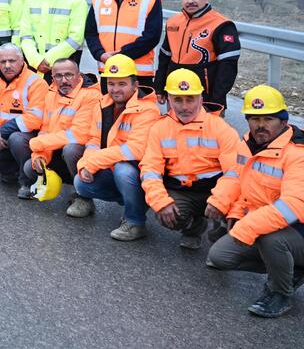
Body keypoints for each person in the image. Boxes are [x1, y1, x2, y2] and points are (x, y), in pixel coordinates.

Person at [206, 85, 304, 318]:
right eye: (254, 118)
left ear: (283, 121)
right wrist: (234, 212)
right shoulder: (248, 144)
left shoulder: (298, 153)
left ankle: (280, 292)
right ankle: (291, 268)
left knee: (271, 239)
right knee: (219, 258)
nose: (261, 125)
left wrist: (246, 228)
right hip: (263, 221)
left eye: (268, 118)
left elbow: (293, 206)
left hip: (296, 229)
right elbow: (239, 181)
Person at [140, 68, 239, 249]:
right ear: (169, 100)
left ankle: (222, 232)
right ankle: (194, 226)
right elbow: (150, 169)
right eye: (178, 100)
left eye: (190, 99)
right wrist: (161, 202)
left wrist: (220, 201)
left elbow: (235, 172)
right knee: (167, 217)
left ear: (201, 98)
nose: (185, 107)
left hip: (215, 190)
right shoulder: (159, 128)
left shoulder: (221, 128)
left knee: (232, 224)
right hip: (182, 191)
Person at [73, 55, 161, 240]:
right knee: (80, 182)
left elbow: (136, 149)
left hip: (137, 172)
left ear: (135, 85)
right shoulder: (102, 104)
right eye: (111, 84)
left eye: (122, 84)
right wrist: (85, 164)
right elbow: (93, 140)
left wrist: (94, 161)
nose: (115, 89)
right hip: (110, 166)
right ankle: (130, 199)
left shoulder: (148, 109)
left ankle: (135, 222)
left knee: (124, 171)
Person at [24, 58, 101, 214]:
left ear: (79, 75)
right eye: (58, 76)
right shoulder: (51, 93)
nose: (64, 80)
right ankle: (53, 186)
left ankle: (84, 198)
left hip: (83, 154)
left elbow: (79, 134)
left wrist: (38, 144)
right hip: (56, 148)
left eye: (69, 75)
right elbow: (45, 129)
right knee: (30, 167)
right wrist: (40, 155)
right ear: (52, 78)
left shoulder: (91, 95)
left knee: (71, 149)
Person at [0, 43, 47, 198]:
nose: (7, 65)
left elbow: (35, 118)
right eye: (2, 62)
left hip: (27, 139)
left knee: (16, 139)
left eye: (12, 61)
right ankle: (14, 169)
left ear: (21, 60)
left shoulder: (36, 83)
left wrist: (4, 131)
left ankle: (29, 181)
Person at [155, 0, 240, 110]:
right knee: (172, 129)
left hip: (205, 97)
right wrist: (160, 87)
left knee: (204, 131)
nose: (190, 1)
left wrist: (216, 100)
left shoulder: (222, 25)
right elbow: (164, 57)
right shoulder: (173, 22)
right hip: (175, 91)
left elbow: (228, 67)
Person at [85, 0, 163, 90]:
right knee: (107, 110)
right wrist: (100, 54)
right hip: (108, 70)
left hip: (138, 74)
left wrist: (122, 55)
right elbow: (90, 33)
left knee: (139, 110)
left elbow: (152, 37)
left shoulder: (150, 0)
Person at [18, 0, 87, 76]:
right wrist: (36, 60)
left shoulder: (76, 2)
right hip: (34, 67)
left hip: (64, 69)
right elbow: (25, 35)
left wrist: (48, 60)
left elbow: (76, 38)